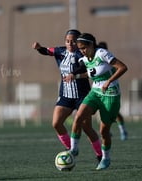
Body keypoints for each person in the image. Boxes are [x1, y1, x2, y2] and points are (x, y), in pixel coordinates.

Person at [32, 29, 102, 161]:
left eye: (73, 41)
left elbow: (82, 67)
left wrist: (73, 73)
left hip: (82, 96)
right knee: (56, 123)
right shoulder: (60, 51)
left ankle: (100, 154)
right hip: (65, 96)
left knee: (87, 128)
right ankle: (71, 149)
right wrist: (39, 48)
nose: (70, 43)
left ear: (78, 42)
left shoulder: (81, 54)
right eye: (68, 41)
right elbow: (46, 51)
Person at [69, 33, 128, 170]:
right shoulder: (84, 58)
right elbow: (92, 73)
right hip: (95, 92)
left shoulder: (102, 53)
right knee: (78, 117)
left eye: (84, 47)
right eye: (80, 48)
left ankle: (106, 158)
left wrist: (109, 81)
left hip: (111, 94)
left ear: (91, 45)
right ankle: (74, 149)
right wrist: (75, 76)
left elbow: (123, 67)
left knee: (104, 131)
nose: (82, 51)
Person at [98, 41, 128, 141]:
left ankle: (122, 130)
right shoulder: (97, 59)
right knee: (102, 110)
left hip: (111, 89)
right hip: (99, 90)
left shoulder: (110, 60)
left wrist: (109, 80)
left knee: (115, 113)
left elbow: (120, 69)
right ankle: (107, 131)